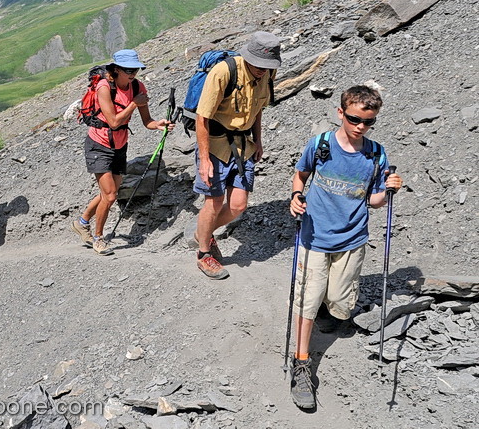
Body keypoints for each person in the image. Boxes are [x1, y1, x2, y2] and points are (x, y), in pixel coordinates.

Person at [287, 85, 401, 410]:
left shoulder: (376, 155)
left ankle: (328, 308)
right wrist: (296, 198)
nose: (360, 127)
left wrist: (389, 190)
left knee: (339, 301)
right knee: (306, 302)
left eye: (369, 122)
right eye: (354, 119)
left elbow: (375, 201)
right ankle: (301, 362)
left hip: (352, 240)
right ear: (341, 113)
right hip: (314, 237)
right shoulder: (321, 145)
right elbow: (300, 176)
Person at [193, 31, 281, 279]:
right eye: (260, 65)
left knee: (239, 205)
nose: (263, 70)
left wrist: (259, 140)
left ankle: (204, 232)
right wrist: (205, 159)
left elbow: (258, 109)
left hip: (244, 145)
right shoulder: (223, 72)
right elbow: (203, 118)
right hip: (215, 145)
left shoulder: (268, 73)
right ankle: (203, 254)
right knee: (214, 202)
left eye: (268, 66)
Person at [71, 49, 173, 255]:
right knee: (110, 196)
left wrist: (159, 125)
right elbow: (114, 121)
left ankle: (82, 222)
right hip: (98, 145)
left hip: (119, 145)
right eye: (128, 70)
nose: (133, 73)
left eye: (135, 69)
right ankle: (98, 239)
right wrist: (135, 103)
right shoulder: (103, 87)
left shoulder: (137, 86)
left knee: (109, 194)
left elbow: (147, 121)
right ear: (116, 69)